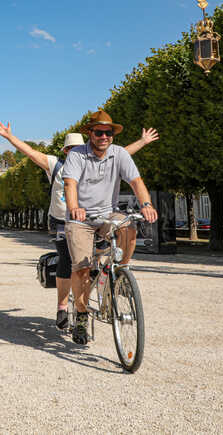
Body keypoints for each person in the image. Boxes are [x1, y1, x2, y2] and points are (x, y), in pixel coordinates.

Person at [0, 120, 158, 329]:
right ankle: (64, 306)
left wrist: (142, 141)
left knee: (108, 249)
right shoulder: (57, 165)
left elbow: (122, 154)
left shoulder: (99, 156)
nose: (74, 151)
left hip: (98, 218)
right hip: (64, 220)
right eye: (70, 148)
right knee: (70, 262)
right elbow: (32, 153)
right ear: (66, 150)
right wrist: (10, 137)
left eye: (77, 147)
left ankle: (115, 276)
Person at [62, 111, 158, 344]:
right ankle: (82, 316)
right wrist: (75, 207)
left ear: (112, 135)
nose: (104, 136)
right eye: (99, 132)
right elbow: (70, 183)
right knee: (82, 268)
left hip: (107, 214)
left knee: (129, 227)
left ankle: (122, 273)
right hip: (81, 218)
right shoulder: (76, 155)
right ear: (90, 134)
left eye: (108, 132)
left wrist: (146, 204)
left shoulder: (120, 154)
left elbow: (136, 182)